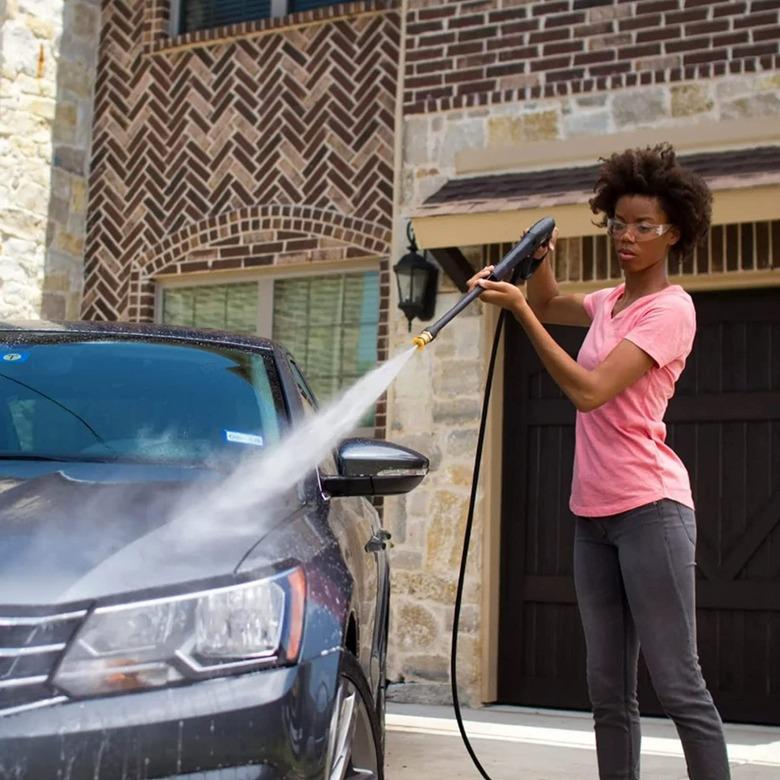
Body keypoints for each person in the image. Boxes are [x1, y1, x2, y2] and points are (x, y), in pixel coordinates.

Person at [468, 144, 730, 780]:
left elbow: (588, 391)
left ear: (675, 234)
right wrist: (536, 267)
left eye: (645, 226)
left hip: (651, 512)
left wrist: (520, 309)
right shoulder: (609, 302)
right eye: (619, 223)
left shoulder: (671, 310)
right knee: (608, 693)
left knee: (678, 684)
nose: (628, 236)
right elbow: (557, 301)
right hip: (592, 516)